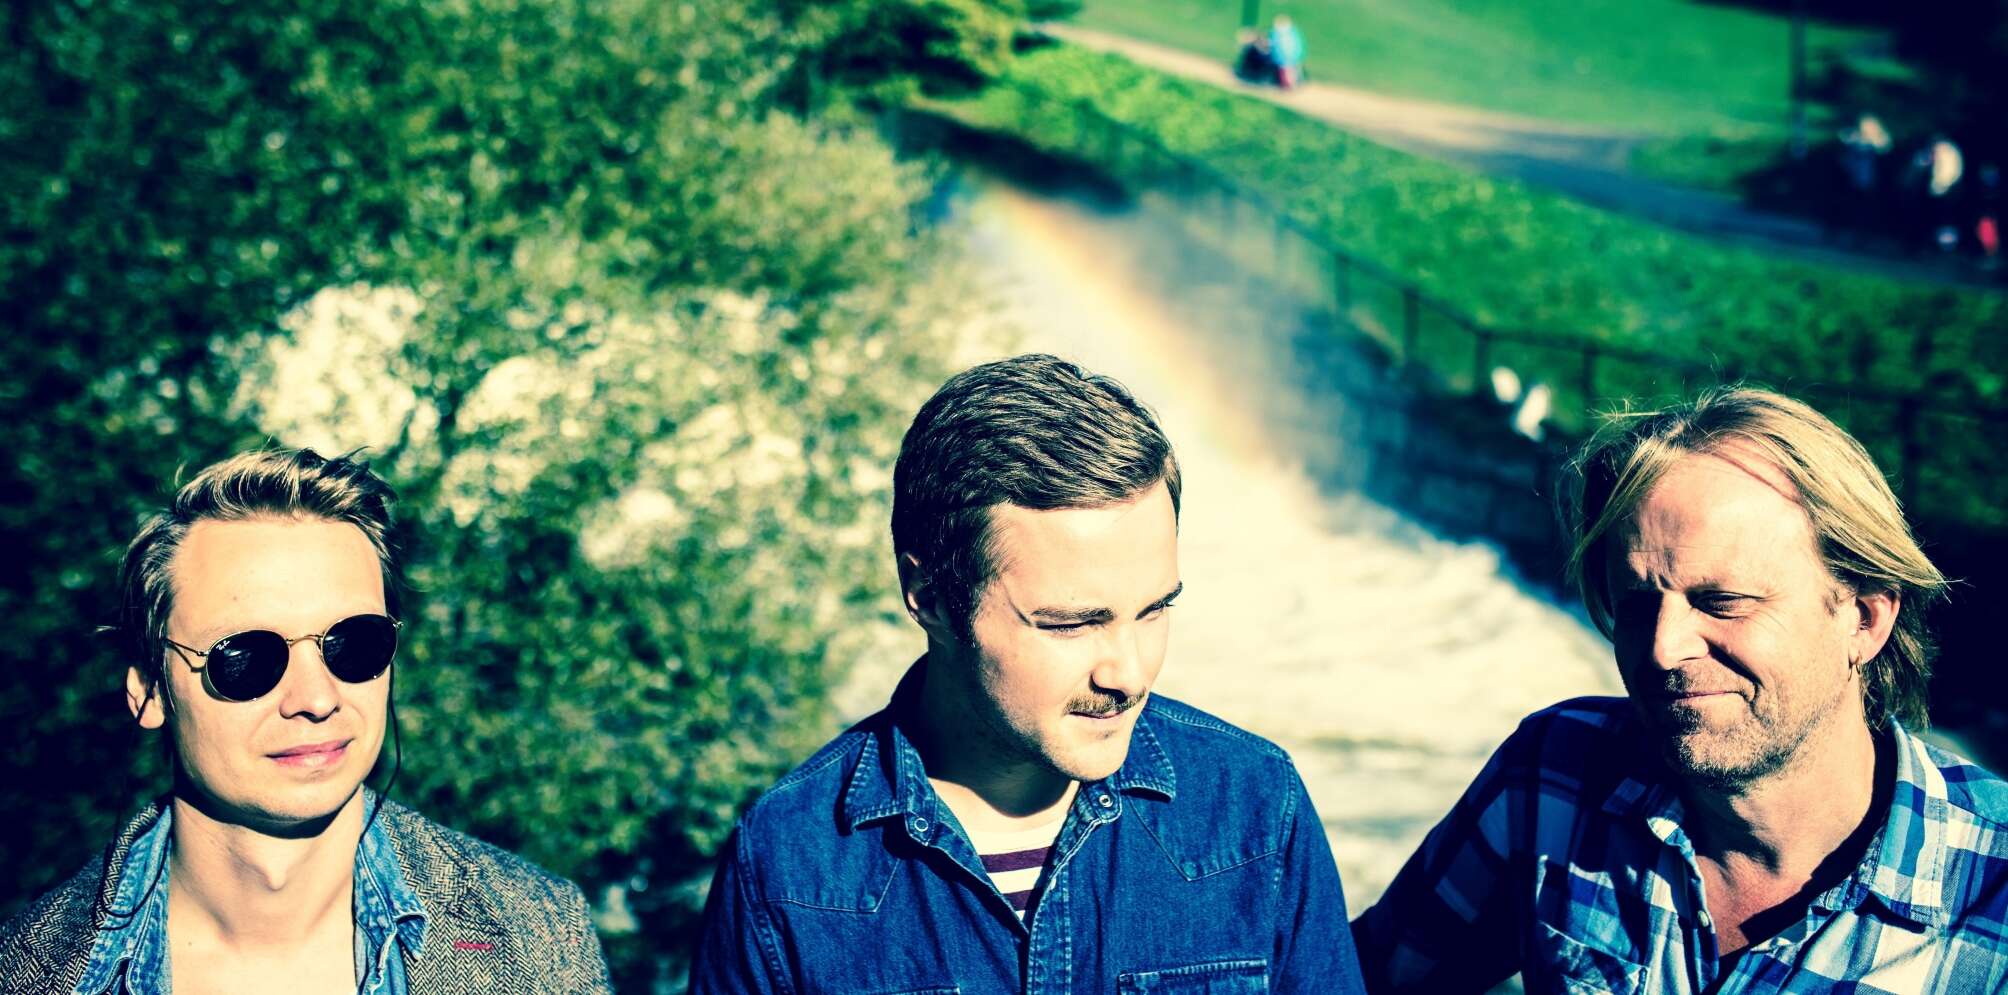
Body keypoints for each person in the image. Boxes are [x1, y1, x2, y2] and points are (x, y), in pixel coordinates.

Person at [690, 354, 1365, 994]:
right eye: (1071, 624)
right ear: (929, 597)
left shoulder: (1254, 806)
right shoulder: (785, 863)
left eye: (1155, 610)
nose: (1129, 675)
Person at [1353, 386, 2008, 993]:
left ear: (1863, 618)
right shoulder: (1553, 775)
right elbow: (1357, 977)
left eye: (1722, 602)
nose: (1664, 648)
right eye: (1637, 605)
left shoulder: (1993, 889)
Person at [0, 449, 612, 994]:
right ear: (150, 691)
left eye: (355, 643)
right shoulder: (28, 968)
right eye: (245, 657)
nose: (317, 698)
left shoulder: (541, 936)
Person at [1269, 15, 1305, 89]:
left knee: (1287, 70)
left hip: (1284, 57)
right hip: (1292, 56)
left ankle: (1289, 85)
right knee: (1292, 69)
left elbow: (1277, 47)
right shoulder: (1292, 32)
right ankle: (1293, 83)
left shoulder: (1277, 34)